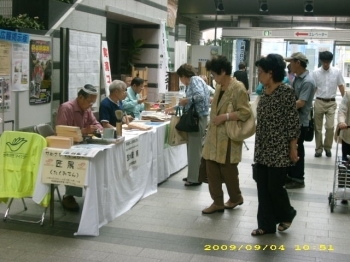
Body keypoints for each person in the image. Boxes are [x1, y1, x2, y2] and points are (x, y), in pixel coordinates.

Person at [252, 54, 299, 236]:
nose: (259, 75)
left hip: (279, 149)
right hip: (262, 148)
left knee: (274, 188)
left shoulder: (286, 92)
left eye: (261, 72)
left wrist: (293, 148)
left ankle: (287, 213)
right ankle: (266, 225)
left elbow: (292, 123)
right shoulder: (264, 91)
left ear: (270, 73)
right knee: (262, 187)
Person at [200, 56, 248, 214]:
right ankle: (217, 202)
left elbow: (244, 113)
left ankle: (235, 197)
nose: (213, 78)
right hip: (213, 135)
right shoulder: (220, 87)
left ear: (223, 72)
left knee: (228, 170)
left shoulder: (238, 88)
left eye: (214, 74)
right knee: (211, 168)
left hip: (228, 137)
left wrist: (225, 117)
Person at [56, 84, 103, 211]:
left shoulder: (87, 109)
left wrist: (98, 128)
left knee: (100, 155)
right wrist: (84, 131)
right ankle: (69, 196)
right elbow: (61, 131)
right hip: (67, 146)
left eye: (93, 102)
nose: (91, 105)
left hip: (82, 144)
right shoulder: (66, 108)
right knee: (76, 161)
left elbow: (95, 123)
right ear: (81, 97)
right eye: (89, 102)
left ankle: (96, 190)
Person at [166, 64, 210, 186]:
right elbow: (189, 104)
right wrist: (174, 108)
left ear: (184, 76)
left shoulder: (194, 80)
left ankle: (195, 178)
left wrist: (187, 100)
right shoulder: (197, 81)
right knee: (192, 149)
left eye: (180, 78)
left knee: (194, 150)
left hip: (198, 118)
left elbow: (199, 97)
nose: (181, 81)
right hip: (197, 118)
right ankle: (193, 175)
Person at [284, 52, 316, 189]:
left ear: (298, 63)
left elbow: (301, 102)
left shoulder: (307, 81)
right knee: (292, 148)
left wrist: (283, 106)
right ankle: (291, 175)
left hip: (300, 121)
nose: (289, 65)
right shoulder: (297, 78)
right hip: (293, 119)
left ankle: (298, 179)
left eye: (291, 62)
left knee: (297, 149)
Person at [313, 51, 345, 158]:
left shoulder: (337, 72)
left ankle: (327, 148)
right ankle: (318, 149)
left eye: (327, 62)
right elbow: (314, 88)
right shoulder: (316, 73)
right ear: (321, 61)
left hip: (331, 102)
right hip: (319, 101)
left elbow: (341, 86)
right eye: (323, 62)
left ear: (331, 61)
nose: (325, 64)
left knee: (330, 127)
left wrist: (346, 102)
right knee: (317, 128)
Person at [337, 90, 350, 204]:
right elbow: (342, 110)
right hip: (348, 136)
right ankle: (343, 190)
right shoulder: (349, 94)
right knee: (345, 164)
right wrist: (341, 122)